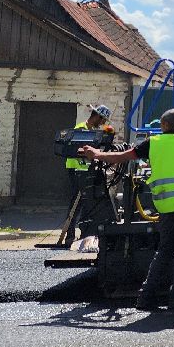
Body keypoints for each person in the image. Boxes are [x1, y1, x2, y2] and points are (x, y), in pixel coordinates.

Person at [81, 108, 174, 313]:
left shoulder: (154, 143)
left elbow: (121, 157)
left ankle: (145, 297)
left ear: (165, 125)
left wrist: (96, 154)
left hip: (168, 206)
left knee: (165, 250)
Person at [62, 104, 112, 245]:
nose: (102, 123)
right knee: (76, 203)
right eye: (102, 120)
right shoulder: (81, 129)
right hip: (76, 169)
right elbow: (78, 151)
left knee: (87, 202)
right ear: (97, 116)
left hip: (85, 169)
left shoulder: (92, 131)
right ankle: (70, 236)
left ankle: (84, 234)